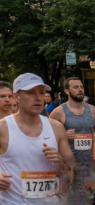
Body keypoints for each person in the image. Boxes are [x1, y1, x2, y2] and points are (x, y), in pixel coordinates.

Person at [0, 73, 74, 204]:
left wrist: (61, 162)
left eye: (41, 93)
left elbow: (72, 170)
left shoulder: (56, 127)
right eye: (31, 93)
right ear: (16, 97)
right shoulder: (0, 128)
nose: (38, 98)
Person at [49, 77, 95, 205]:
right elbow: (47, 137)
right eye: (75, 87)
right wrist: (62, 135)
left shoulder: (92, 110)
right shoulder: (58, 112)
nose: (80, 90)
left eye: (81, 87)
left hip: (88, 164)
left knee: (86, 200)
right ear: (67, 91)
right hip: (68, 166)